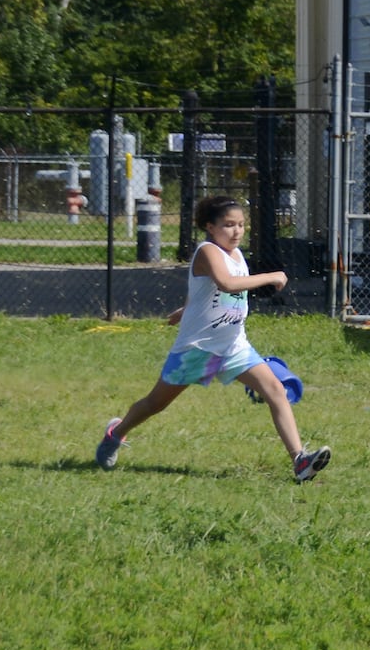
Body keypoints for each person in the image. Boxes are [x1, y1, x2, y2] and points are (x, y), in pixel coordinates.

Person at [96, 195, 331, 484]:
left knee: (275, 391)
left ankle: (300, 460)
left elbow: (206, 290)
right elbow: (227, 284)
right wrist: (270, 276)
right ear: (210, 227)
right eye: (228, 225)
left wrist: (186, 308)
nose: (236, 231)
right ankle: (116, 433)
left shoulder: (237, 255)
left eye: (241, 225)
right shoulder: (208, 251)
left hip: (233, 347)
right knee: (155, 403)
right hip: (197, 350)